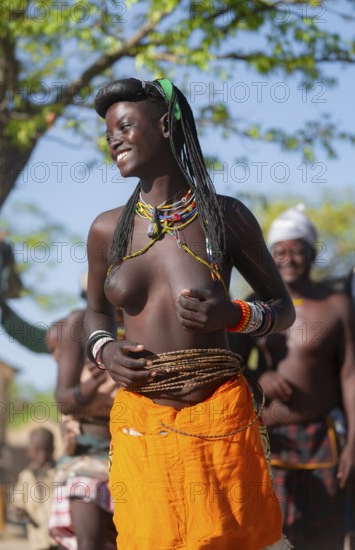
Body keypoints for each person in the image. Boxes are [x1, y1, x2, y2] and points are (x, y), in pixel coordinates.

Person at [85, 77, 296, 550]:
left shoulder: (226, 218)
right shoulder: (105, 231)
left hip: (218, 414)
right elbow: (94, 314)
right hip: (142, 421)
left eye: (123, 126)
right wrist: (105, 350)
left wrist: (234, 314)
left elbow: (283, 310)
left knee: (236, 539)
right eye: (108, 134)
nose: (113, 139)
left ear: (164, 125)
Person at [230, 206, 355, 549]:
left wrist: (353, 444)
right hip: (270, 438)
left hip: (322, 437)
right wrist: (260, 376)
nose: (289, 259)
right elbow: (229, 365)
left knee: (328, 534)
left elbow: (350, 375)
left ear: (312, 253)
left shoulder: (336, 305)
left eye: (298, 251)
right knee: (276, 534)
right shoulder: (255, 306)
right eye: (279, 252)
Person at [46, 307, 119, 550]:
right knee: (89, 542)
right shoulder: (80, 328)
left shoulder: (142, 318)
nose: (57, 355)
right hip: (87, 462)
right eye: (54, 350)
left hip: (130, 454)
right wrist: (89, 389)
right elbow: (66, 407)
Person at [10, 428, 58, 550]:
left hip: (60, 540)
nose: (42, 455)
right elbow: (17, 503)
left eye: (46, 450)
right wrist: (18, 511)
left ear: (53, 449)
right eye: (37, 450)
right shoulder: (25, 477)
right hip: (38, 541)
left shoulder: (60, 474)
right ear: (29, 451)